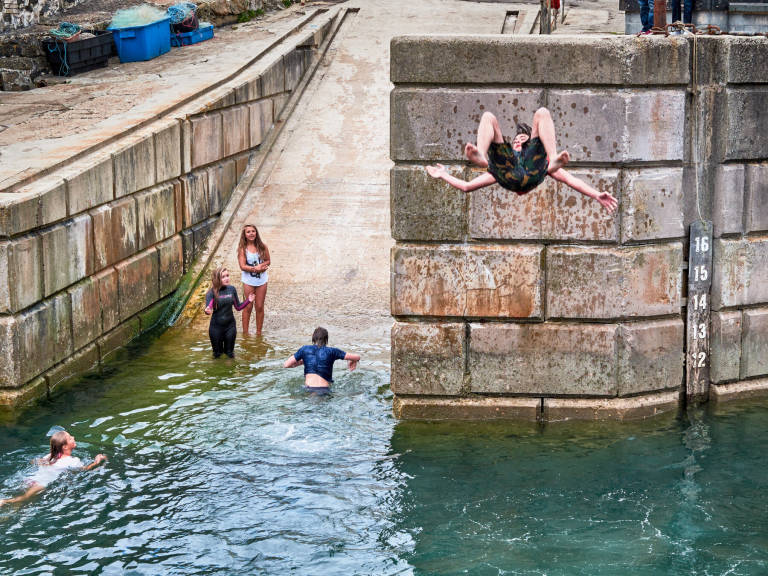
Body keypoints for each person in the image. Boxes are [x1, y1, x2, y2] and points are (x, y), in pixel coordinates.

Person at [426, 107, 618, 213]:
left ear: (529, 142)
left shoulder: (539, 162)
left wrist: (595, 195)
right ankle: (481, 155)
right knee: (488, 116)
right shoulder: (505, 163)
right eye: (515, 138)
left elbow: (571, 180)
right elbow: (466, 186)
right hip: (509, 172)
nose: (517, 139)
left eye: (522, 138)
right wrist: (443, 175)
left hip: (535, 167)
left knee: (542, 112)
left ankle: (553, 156)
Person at [0, 430, 107, 506]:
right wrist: (97, 461)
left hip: (29, 479)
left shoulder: (48, 457)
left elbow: (35, 462)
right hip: (40, 485)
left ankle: (12, 509)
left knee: (24, 503)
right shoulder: (73, 461)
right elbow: (86, 469)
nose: (73, 437)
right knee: (23, 498)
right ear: (64, 447)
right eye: (70, 438)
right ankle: (4, 501)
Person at [283, 327, 361, 395]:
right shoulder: (332, 351)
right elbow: (357, 357)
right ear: (326, 339)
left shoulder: (304, 349)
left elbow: (286, 365)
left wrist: (302, 362)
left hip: (308, 389)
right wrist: (352, 361)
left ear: (313, 338)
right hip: (325, 390)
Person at [204, 266, 255, 358]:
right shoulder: (211, 293)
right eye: (223, 277)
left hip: (230, 327)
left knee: (230, 354)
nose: (227, 278)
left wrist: (248, 300)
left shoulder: (232, 289)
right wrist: (207, 310)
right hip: (216, 328)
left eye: (227, 275)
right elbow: (209, 308)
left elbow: (238, 307)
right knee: (217, 355)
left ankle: (230, 371)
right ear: (217, 279)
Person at [237, 224, 270, 336]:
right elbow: (242, 266)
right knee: (248, 306)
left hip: (262, 281)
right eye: (248, 232)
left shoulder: (262, 246)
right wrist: (255, 269)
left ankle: (258, 332)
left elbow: (268, 261)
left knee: (259, 306)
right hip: (248, 281)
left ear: (256, 233)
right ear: (244, 235)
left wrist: (262, 266)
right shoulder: (243, 249)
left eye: (253, 231)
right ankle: (246, 333)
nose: (251, 233)